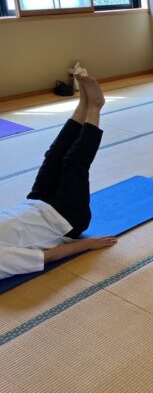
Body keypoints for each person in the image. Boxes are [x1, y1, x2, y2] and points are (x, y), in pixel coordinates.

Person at [0, 75, 117, 280]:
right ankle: (95, 107)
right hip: (65, 219)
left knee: (54, 155)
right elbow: (47, 256)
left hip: (35, 202)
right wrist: (88, 244)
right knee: (73, 162)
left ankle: (83, 103)